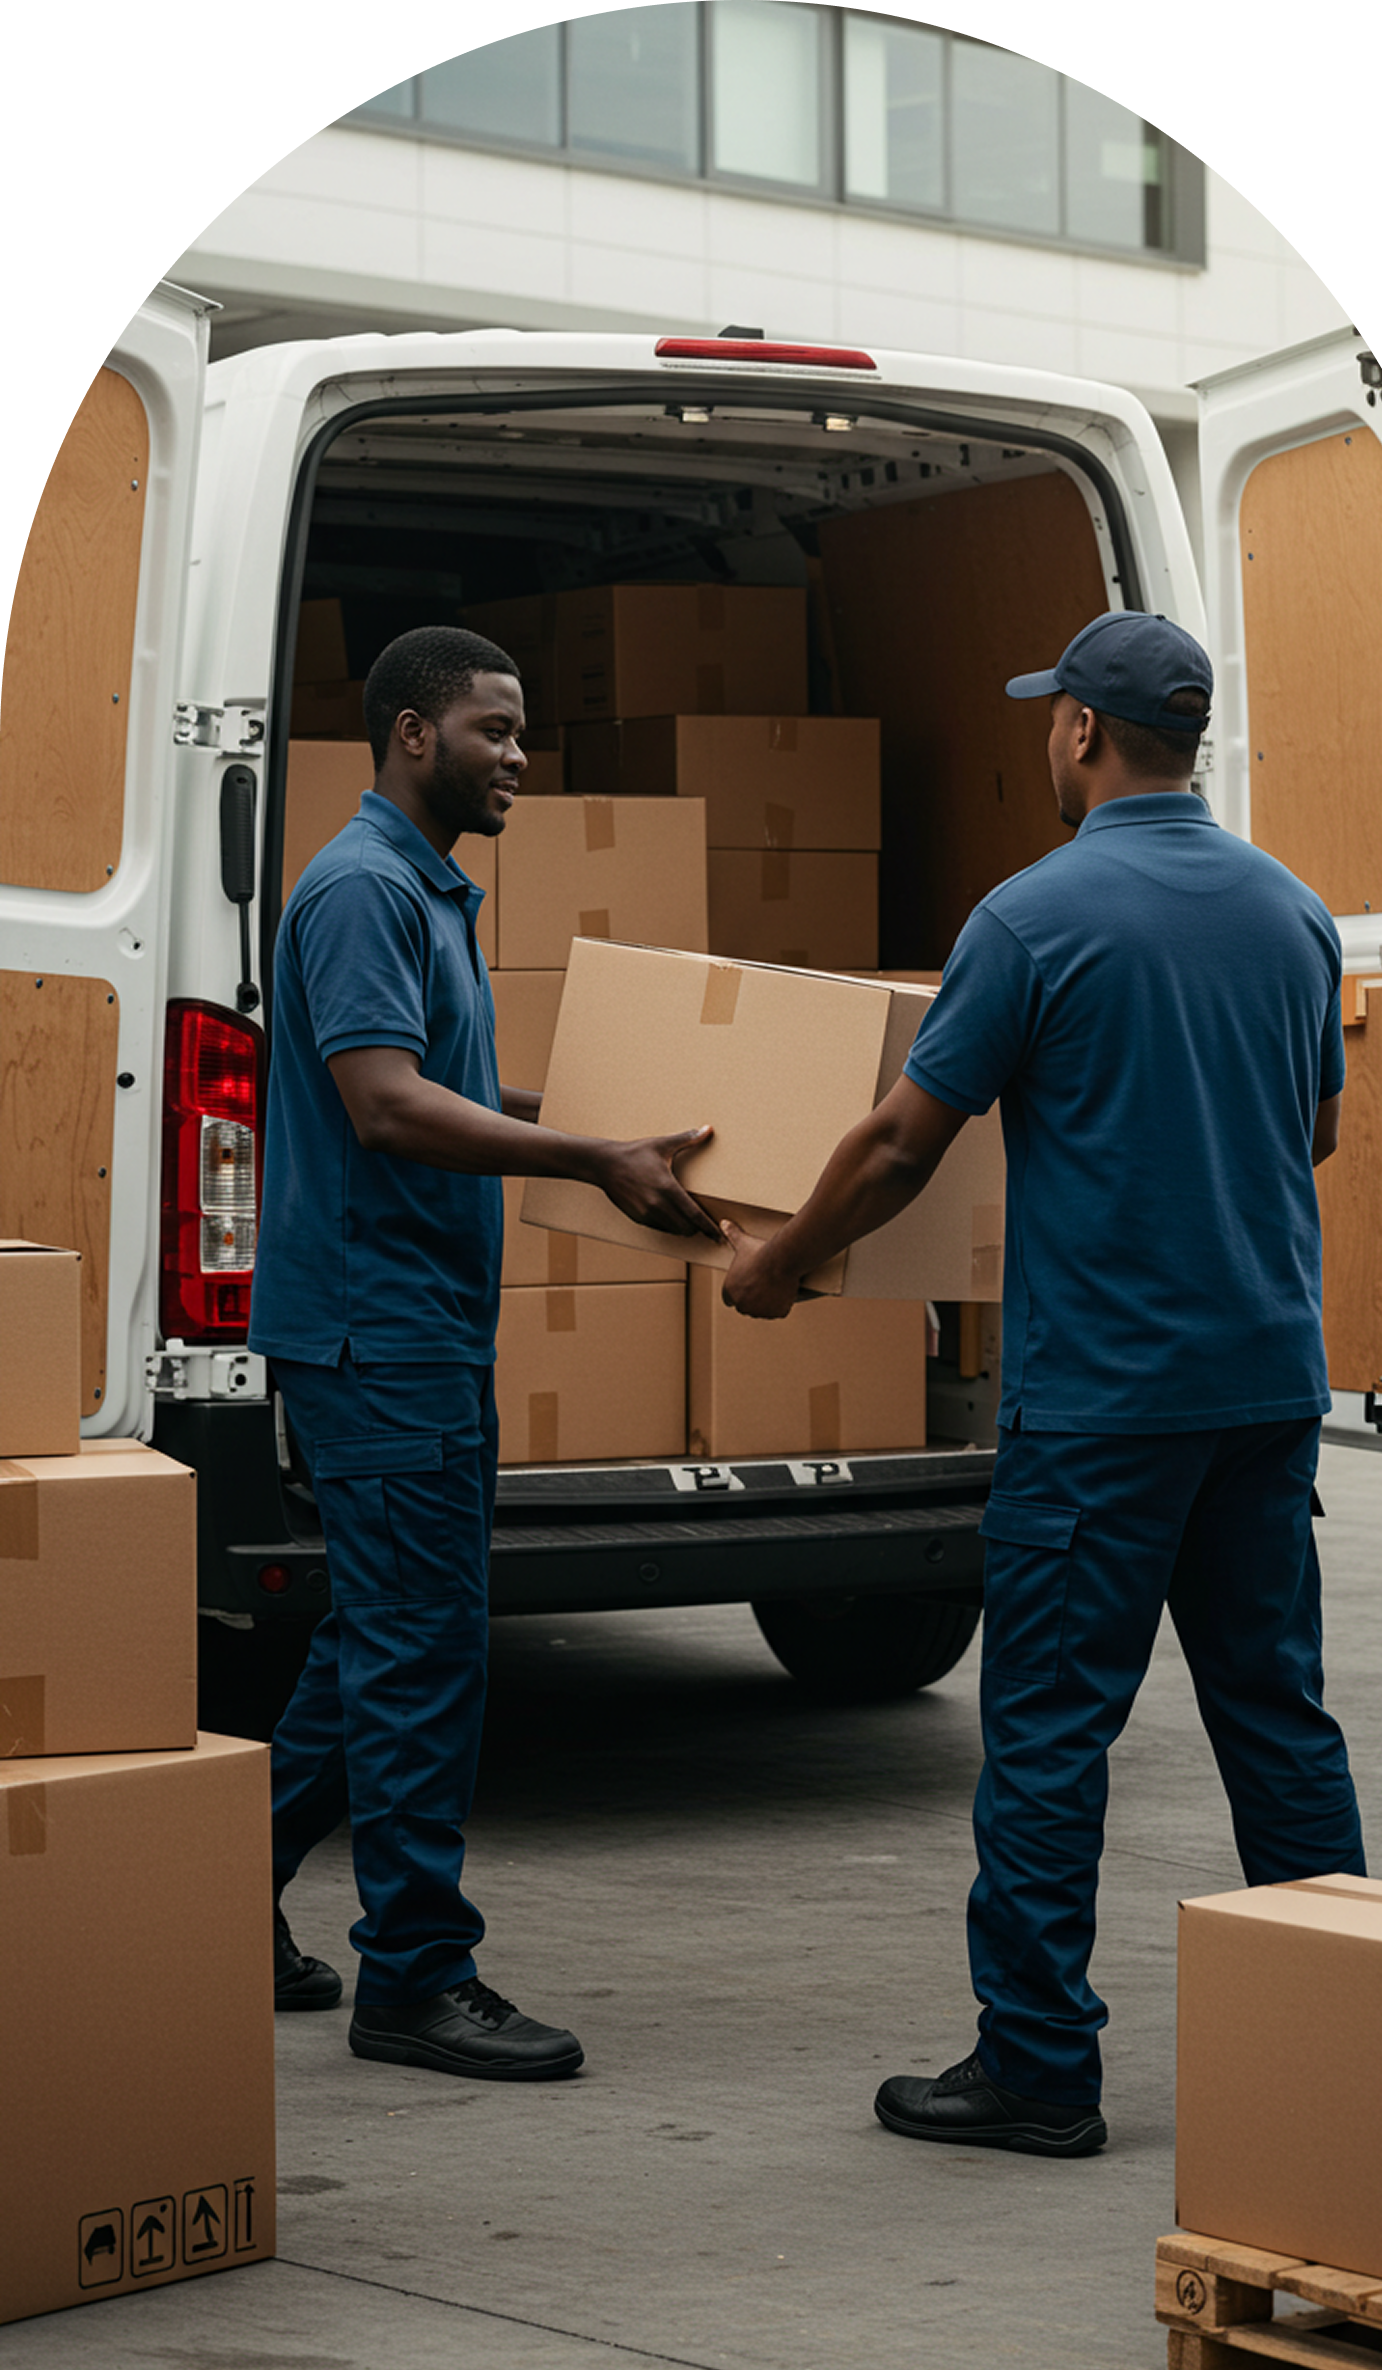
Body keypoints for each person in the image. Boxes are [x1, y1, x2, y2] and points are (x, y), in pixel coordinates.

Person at [720, 610, 1366, 2156]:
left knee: (1049, 1732)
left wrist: (783, 1262)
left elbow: (897, 1143)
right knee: (1276, 1720)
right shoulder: (1291, 913)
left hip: (1104, 1405)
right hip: (1265, 1381)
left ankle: (1034, 2065)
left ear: (1078, 730)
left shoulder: (1033, 915)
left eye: (1047, 718)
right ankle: (1347, 2036)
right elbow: (1316, 1134)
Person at [249, 624, 721, 2080]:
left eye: (523, 731)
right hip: (372, 1334)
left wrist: (595, 1112)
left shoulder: (424, 893)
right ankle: (415, 1976)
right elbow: (385, 1105)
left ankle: (196, 1887)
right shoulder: (360, 892)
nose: (521, 755)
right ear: (409, 734)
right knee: (422, 1654)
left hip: (422, 1328)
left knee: (367, 1649)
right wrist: (586, 1152)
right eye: (494, 730)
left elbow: (442, 1086)